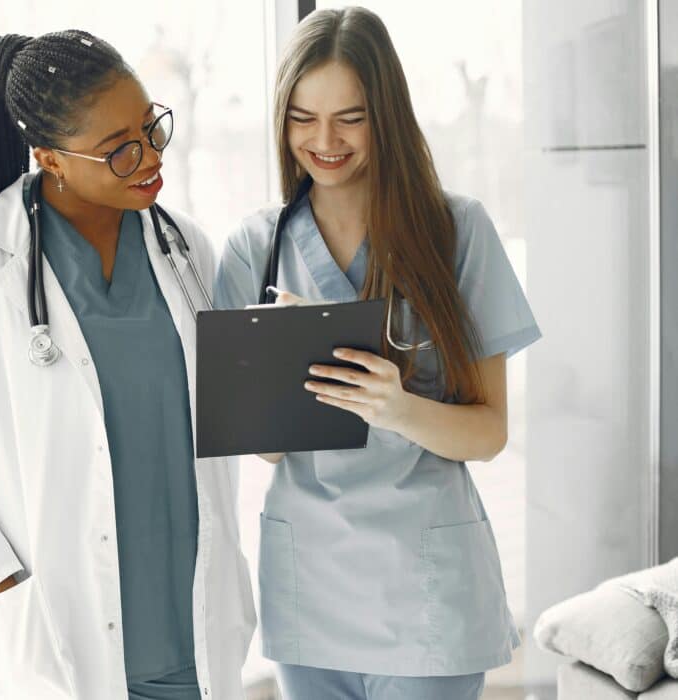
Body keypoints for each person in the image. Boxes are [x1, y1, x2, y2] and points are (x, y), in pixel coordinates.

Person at [0, 31, 255, 699]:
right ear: (49, 156)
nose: (150, 156)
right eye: (119, 149)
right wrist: (2, 582)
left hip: (193, 632)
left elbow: (226, 409)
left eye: (151, 127)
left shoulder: (185, 247)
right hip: (59, 639)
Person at [214, 8, 541, 699]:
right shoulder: (255, 246)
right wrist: (281, 367)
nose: (323, 141)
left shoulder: (457, 232)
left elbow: (488, 432)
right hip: (311, 594)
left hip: (426, 592)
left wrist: (394, 405)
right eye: (302, 117)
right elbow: (266, 453)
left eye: (349, 117)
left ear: (386, 114)